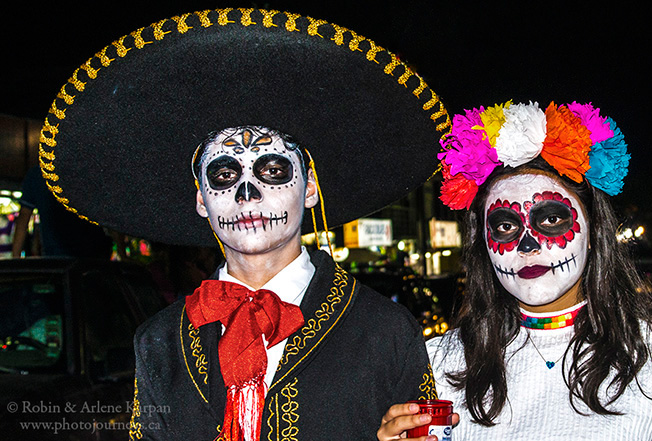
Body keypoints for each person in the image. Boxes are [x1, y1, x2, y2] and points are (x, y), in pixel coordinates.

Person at [37, 9, 452, 441]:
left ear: (309, 189)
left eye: (273, 171)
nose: (247, 195)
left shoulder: (386, 330)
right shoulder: (158, 341)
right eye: (223, 176)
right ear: (202, 200)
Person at [379, 100, 652, 440]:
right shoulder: (442, 365)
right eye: (505, 226)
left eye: (551, 218)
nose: (527, 245)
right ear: (482, 243)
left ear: (593, 232)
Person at [11, 165, 111, 258]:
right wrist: (122, 254)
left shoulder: (37, 174)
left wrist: (15, 259)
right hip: (93, 253)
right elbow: (110, 215)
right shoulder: (89, 170)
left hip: (56, 258)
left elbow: (23, 221)